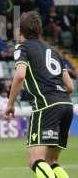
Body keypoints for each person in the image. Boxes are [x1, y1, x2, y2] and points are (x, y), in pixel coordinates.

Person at [4, 11, 75, 178]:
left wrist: (10, 103)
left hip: (46, 106)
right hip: (66, 105)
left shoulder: (22, 48)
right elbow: (70, 86)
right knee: (52, 162)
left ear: (21, 30)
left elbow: (20, 75)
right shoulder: (54, 52)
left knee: (35, 160)